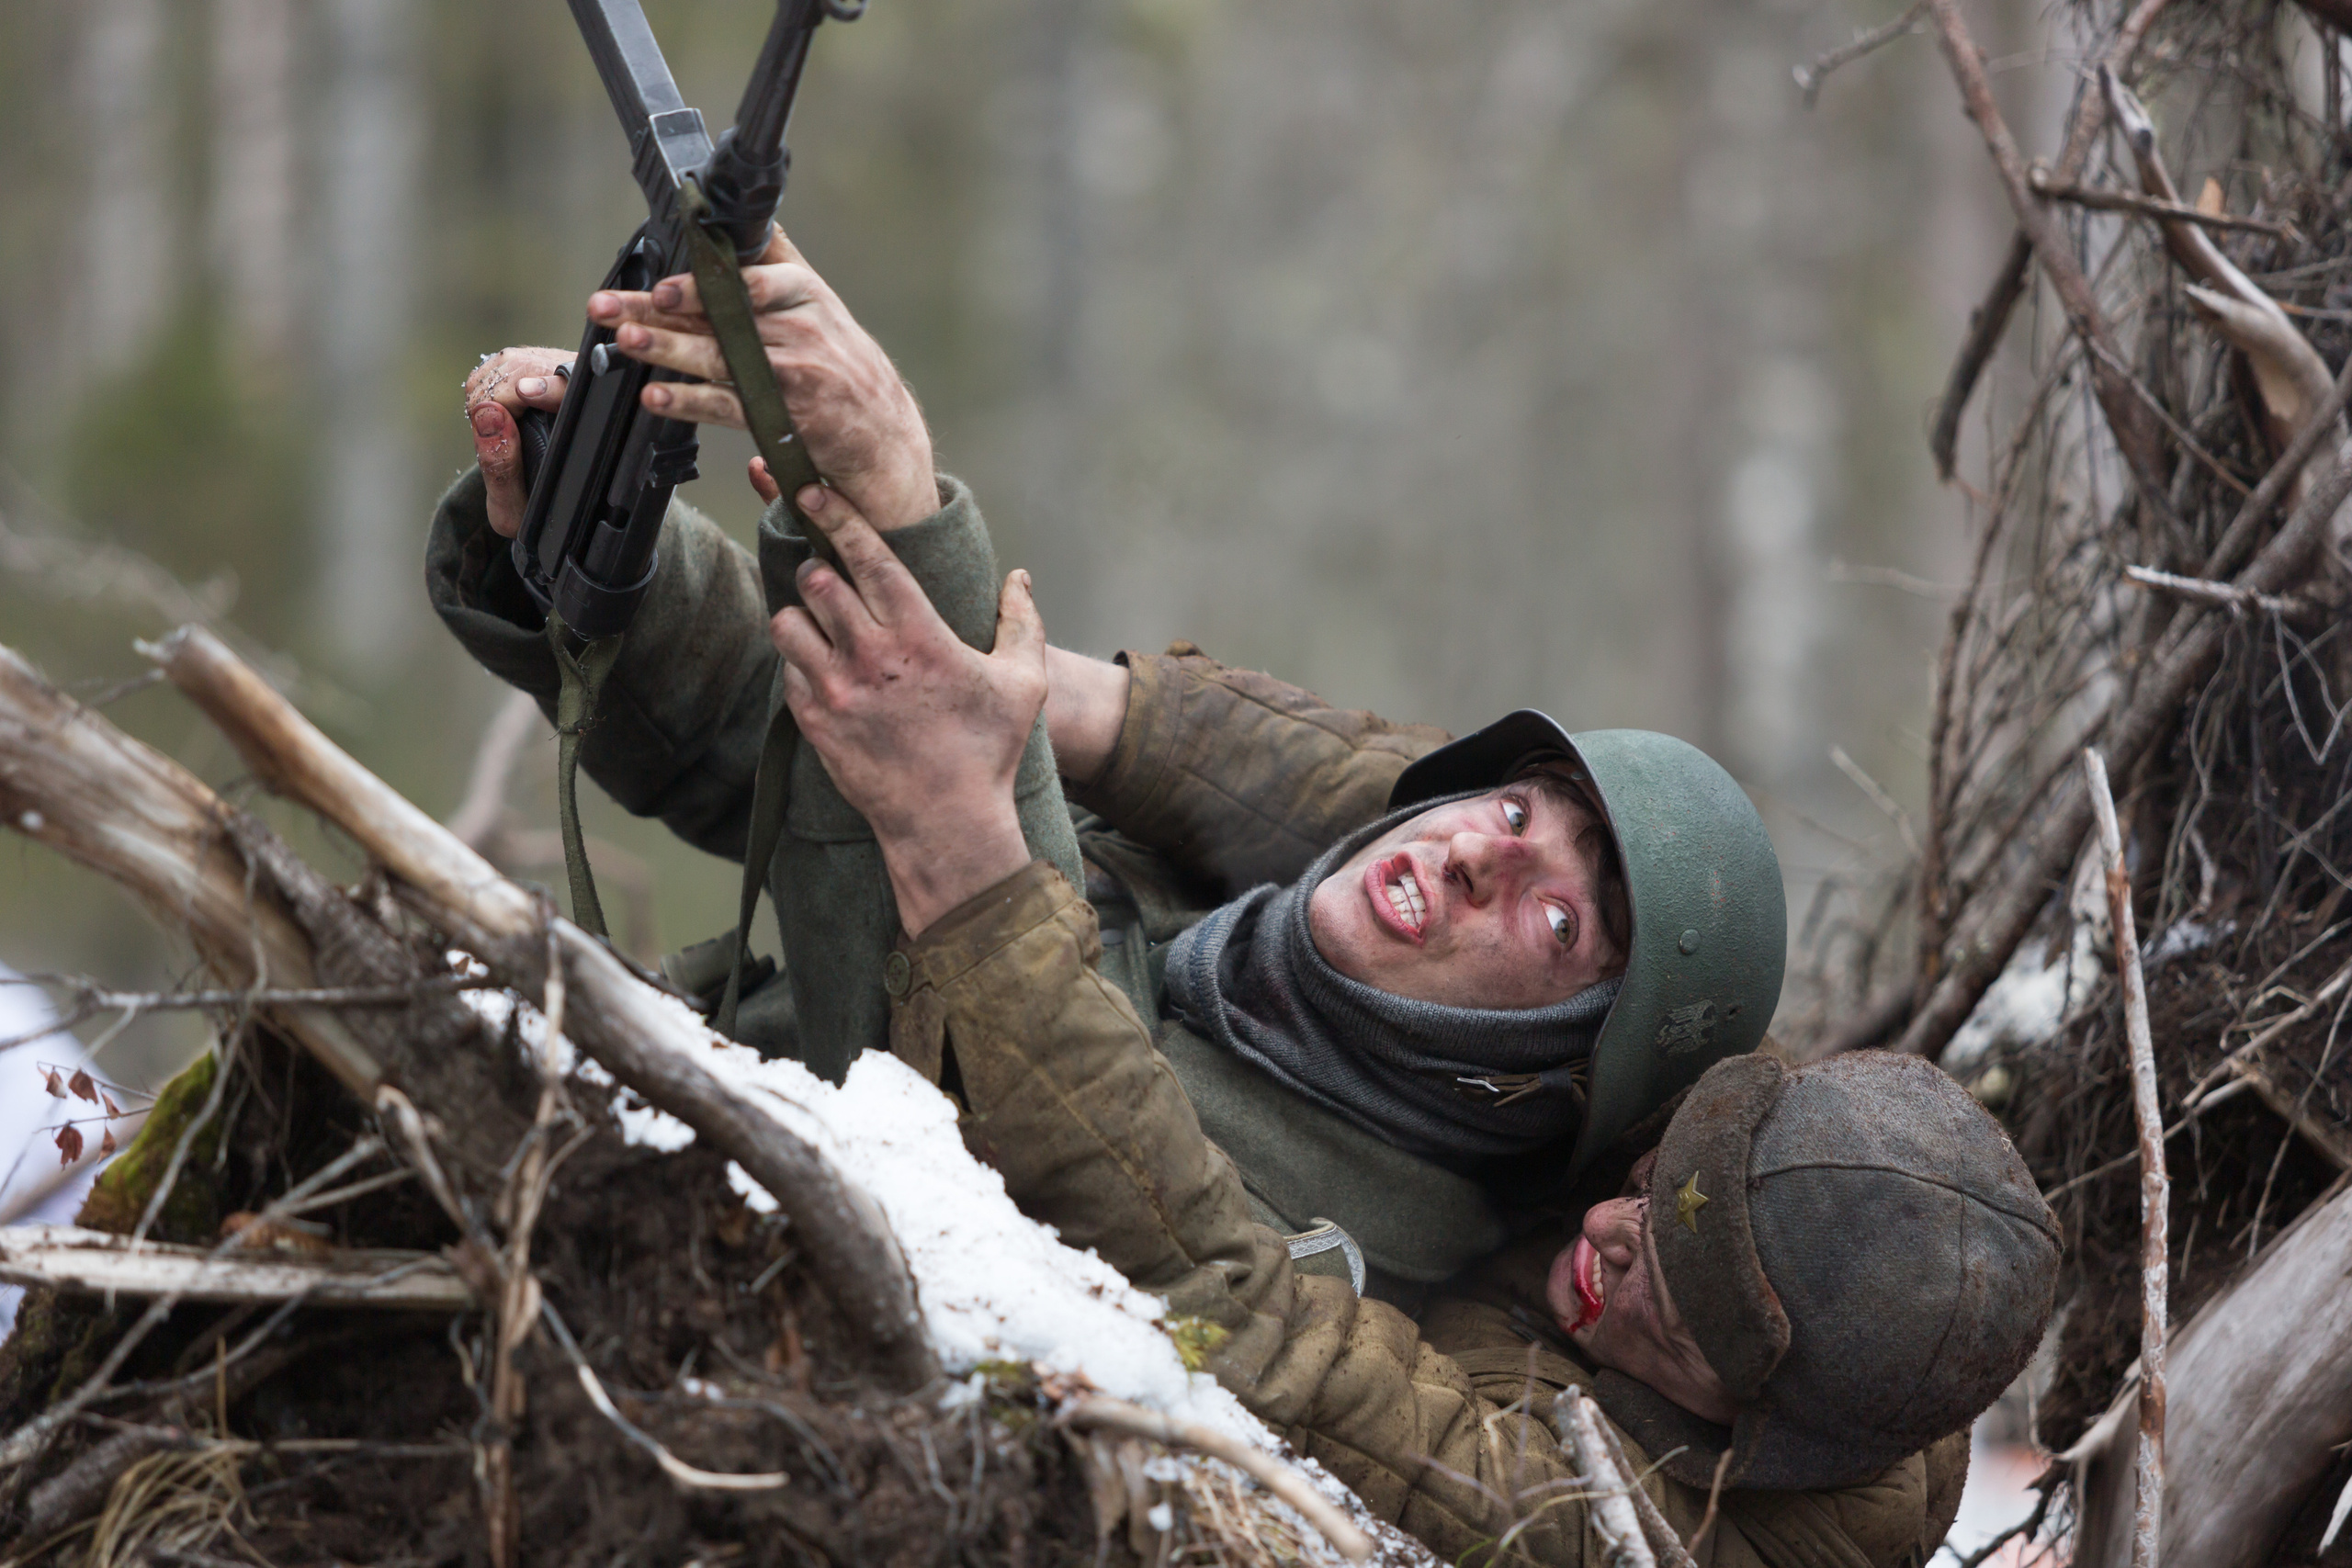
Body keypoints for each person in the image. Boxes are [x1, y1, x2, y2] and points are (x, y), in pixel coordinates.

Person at [633, 413, 2062, 1566]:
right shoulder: (1766, 1161)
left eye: (1673, 1316)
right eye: (1651, 1179)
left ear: (1753, 1431)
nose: (1617, 1234)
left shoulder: (1621, 1529)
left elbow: (1246, 1315)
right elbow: (1415, 800)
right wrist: (1077, 706)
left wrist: (970, 843)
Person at [438, 236, 1783, 1303]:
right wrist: (599, 548)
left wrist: (898, 503)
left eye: (1557, 924)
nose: (1485, 858)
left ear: (1542, 1080)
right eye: (1513, 810)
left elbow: (971, 1110)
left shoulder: (1355, 1245)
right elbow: (814, 761)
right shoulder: (1225, 938)